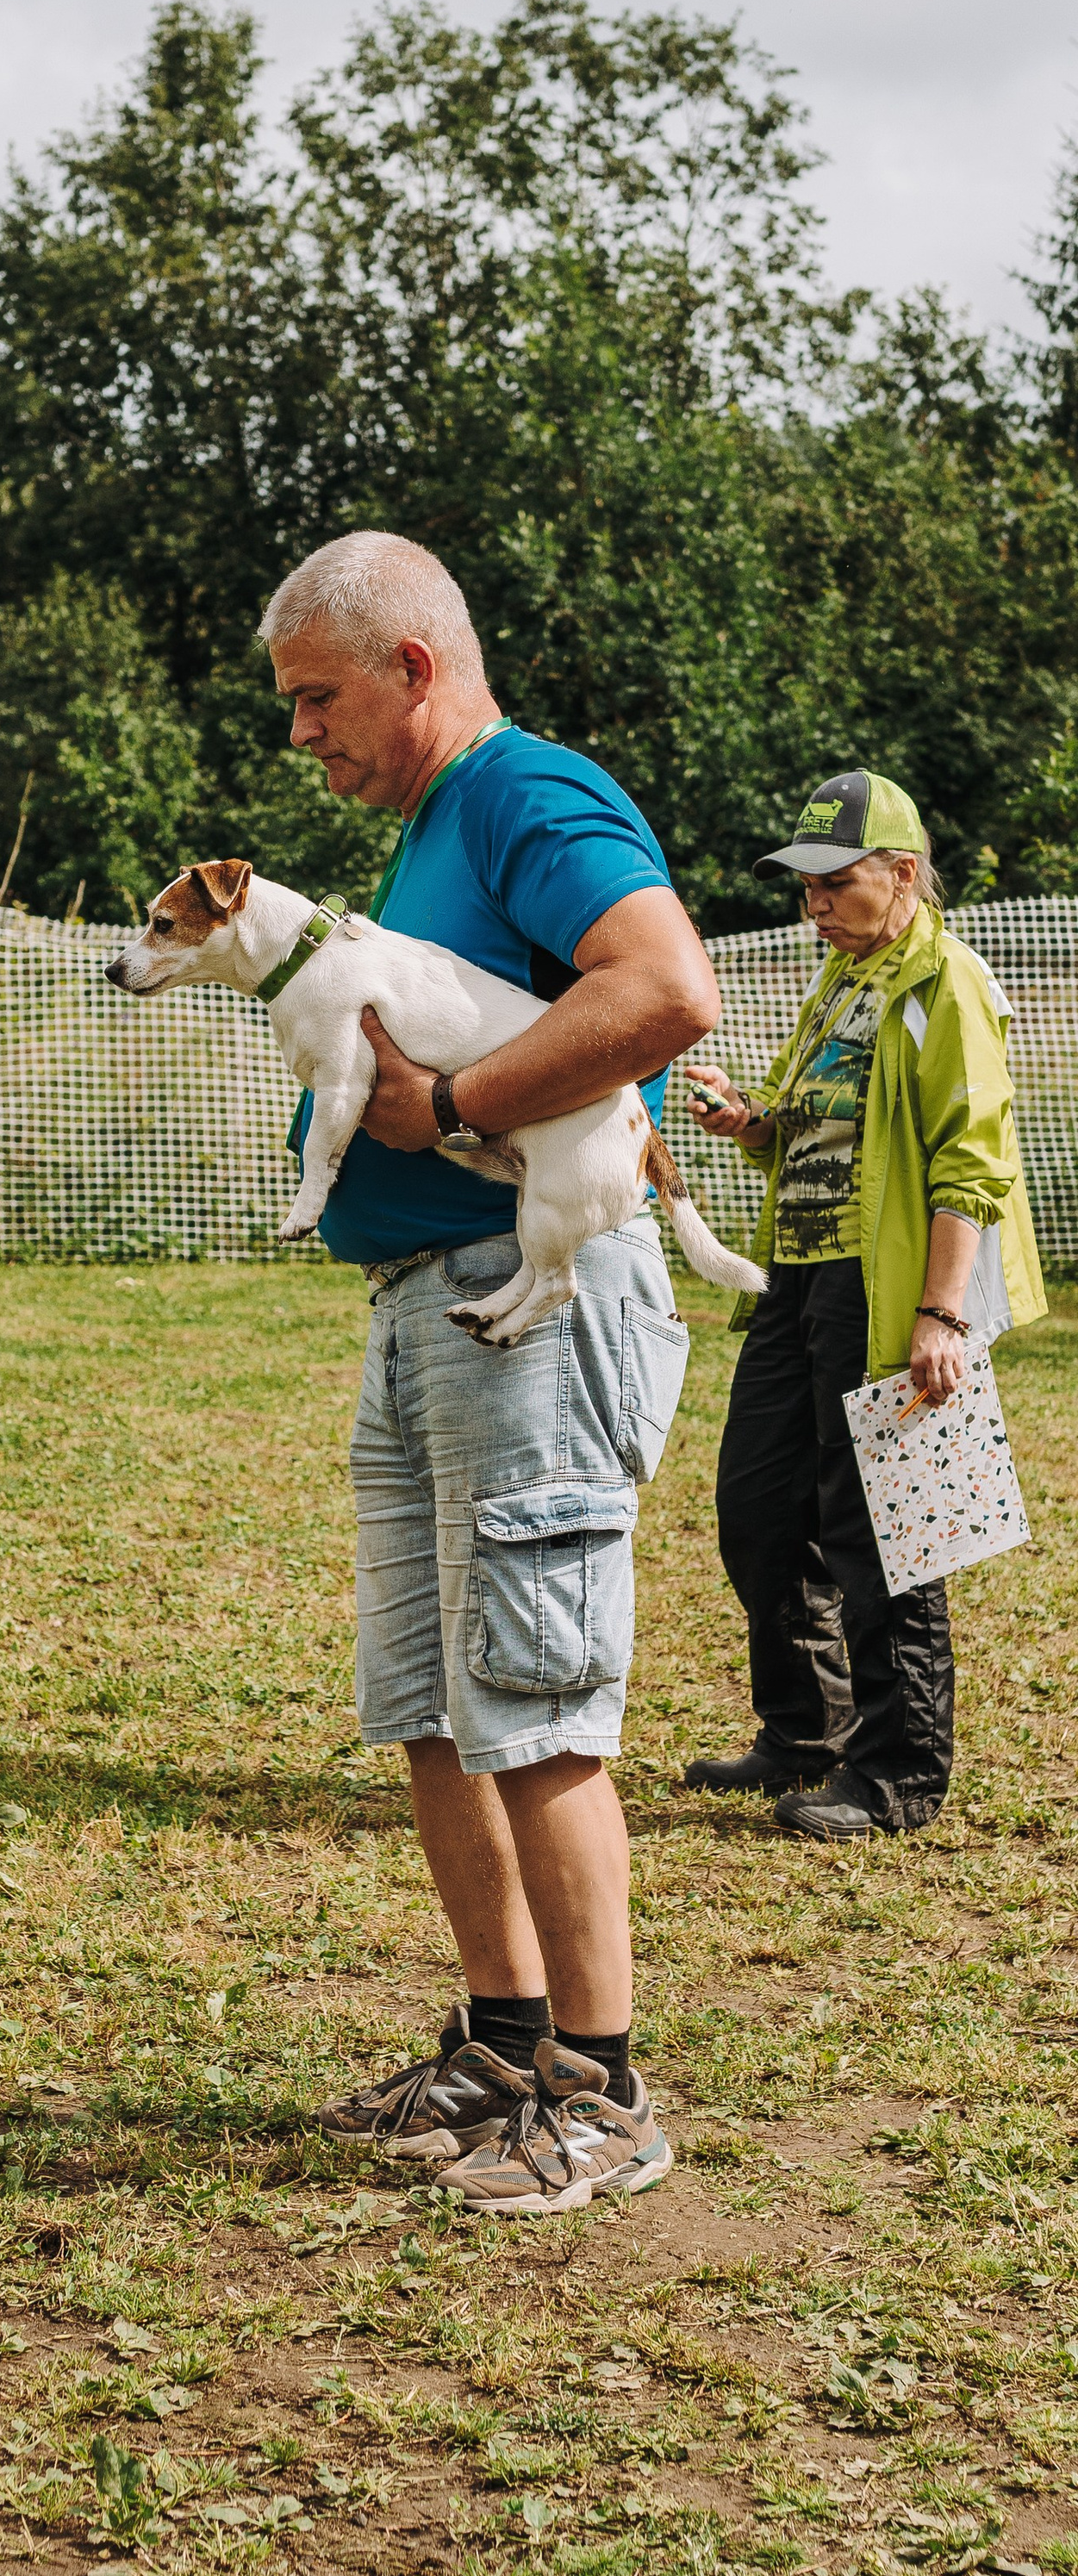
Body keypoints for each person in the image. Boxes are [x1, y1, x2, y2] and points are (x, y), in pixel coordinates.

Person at [264, 529, 720, 2212]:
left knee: (529, 1703)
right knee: (435, 1708)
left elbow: (665, 986)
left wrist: (450, 1112)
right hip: (424, 1307)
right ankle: (502, 2043)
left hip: (528, 1300)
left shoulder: (525, 793)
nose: (299, 736)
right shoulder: (430, 839)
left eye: (316, 700)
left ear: (410, 668)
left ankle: (599, 2092)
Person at [680, 771, 1044, 1840]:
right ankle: (805, 1735)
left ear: (902, 872)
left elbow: (968, 1161)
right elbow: (811, 1125)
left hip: (887, 1286)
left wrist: (942, 1314)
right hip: (796, 1274)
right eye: (805, 890)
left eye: (835, 884)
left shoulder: (945, 983)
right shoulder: (840, 979)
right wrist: (751, 1122)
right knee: (757, 1510)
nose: (816, 907)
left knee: (889, 1530)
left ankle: (896, 1776)